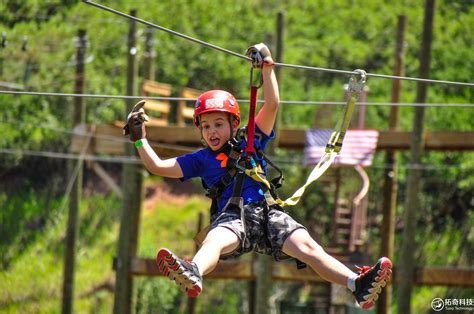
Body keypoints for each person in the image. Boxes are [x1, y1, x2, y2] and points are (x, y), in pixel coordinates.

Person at [124, 43, 392, 310]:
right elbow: (158, 166)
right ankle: (195, 270)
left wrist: (267, 67)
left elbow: (272, 104)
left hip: (267, 214)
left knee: (308, 247)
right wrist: (140, 140)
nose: (212, 132)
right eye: (205, 126)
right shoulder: (200, 160)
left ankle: (357, 284)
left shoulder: (250, 141)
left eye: (218, 124)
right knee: (214, 240)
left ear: (234, 124)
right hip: (233, 218)